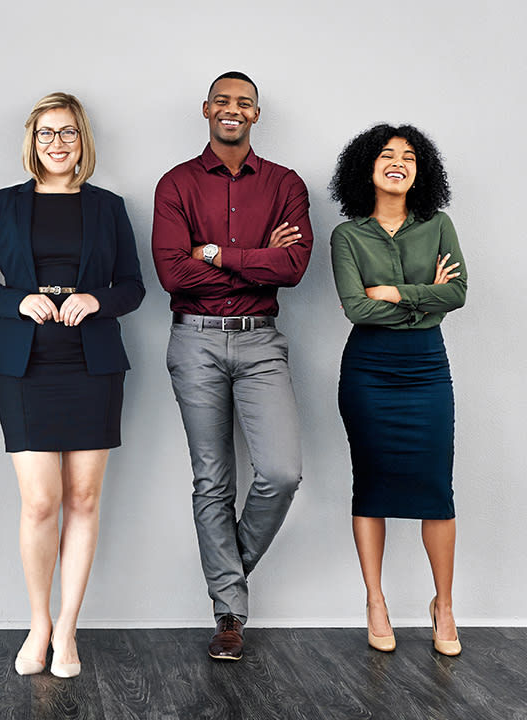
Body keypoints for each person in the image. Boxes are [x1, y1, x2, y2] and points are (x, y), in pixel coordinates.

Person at [0, 92, 144, 678]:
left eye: (67, 133)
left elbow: (133, 287)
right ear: (32, 140)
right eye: (46, 134)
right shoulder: (4, 204)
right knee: (40, 502)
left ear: (82, 140)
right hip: (25, 365)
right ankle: (38, 623)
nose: (57, 144)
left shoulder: (109, 206)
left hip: (92, 364)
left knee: (84, 500)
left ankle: (67, 631)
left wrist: (96, 299)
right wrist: (19, 300)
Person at [151, 72, 312, 661]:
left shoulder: (285, 183)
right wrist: (256, 259)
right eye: (223, 101)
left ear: (256, 115)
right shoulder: (176, 183)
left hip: (261, 342)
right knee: (212, 480)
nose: (232, 110)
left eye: (244, 103)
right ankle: (229, 614)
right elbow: (173, 273)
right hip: (194, 341)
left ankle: (227, 576)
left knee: (281, 472)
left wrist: (216, 253)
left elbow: (293, 267)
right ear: (206, 109)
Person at [329, 124, 467, 656]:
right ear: (366, 168)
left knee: (436, 487)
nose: (397, 163)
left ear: (420, 171)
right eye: (386, 155)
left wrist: (393, 291)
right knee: (373, 484)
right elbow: (355, 308)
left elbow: (456, 293)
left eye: (408, 157)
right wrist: (423, 294)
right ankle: (375, 600)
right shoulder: (348, 235)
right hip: (368, 372)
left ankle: (445, 604)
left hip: (427, 368)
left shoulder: (438, 225)